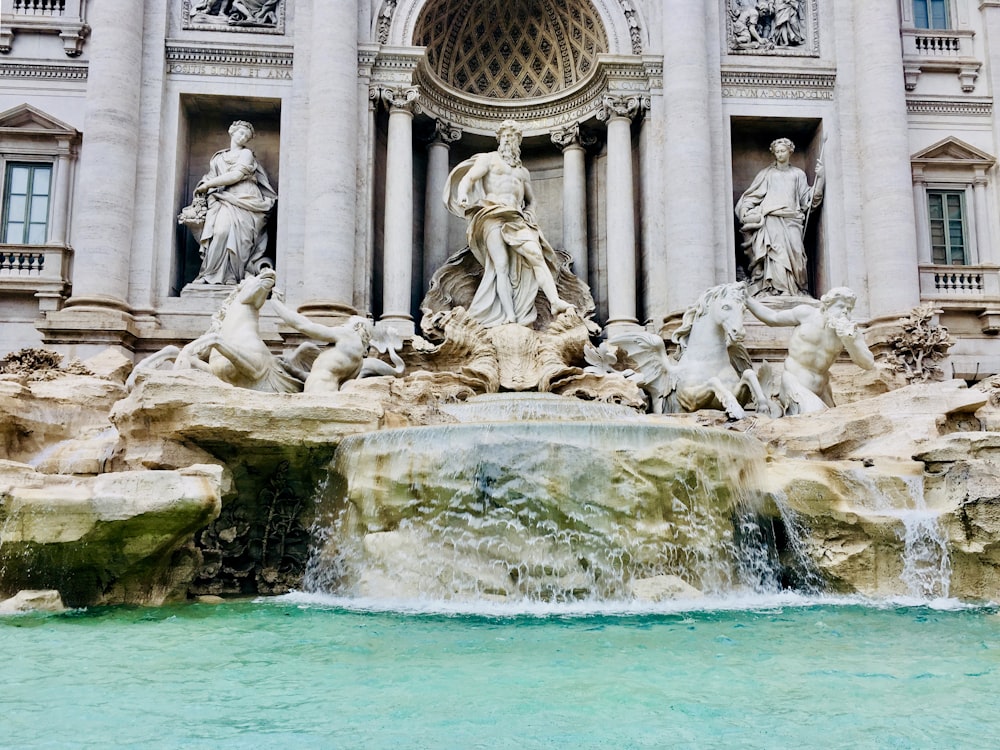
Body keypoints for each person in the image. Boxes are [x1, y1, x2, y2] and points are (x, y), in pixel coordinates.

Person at [443, 119, 572, 327]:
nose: (508, 140)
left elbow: (531, 200)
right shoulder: (489, 159)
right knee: (500, 265)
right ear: (499, 139)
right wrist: (463, 195)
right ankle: (509, 316)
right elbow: (469, 179)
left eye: (513, 137)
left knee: (537, 256)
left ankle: (555, 301)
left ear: (518, 142)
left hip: (516, 218)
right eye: (505, 136)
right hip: (492, 214)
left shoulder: (522, 172)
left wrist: (530, 211)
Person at [745, 287, 875, 415]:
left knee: (836, 422)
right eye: (841, 307)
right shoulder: (806, 314)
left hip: (823, 390)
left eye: (849, 309)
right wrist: (747, 299)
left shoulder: (851, 331)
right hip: (794, 384)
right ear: (826, 306)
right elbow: (772, 318)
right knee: (819, 418)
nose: (845, 312)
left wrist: (849, 341)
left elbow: (868, 363)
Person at [189, 120, 277, 285]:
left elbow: (236, 175)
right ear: (232, 131)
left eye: (247, 136)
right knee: (221, 232)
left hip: (245, 198)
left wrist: (209, 184)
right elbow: (211, 176)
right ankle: (210, 274)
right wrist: (204, 184)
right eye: (241, 133)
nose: (243, 137)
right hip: (224, 198)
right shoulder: (219, 157)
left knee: (241, 239)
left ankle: (233, 276)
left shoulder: (246, 154)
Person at [736, 137, 823, 297]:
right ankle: (776, 290)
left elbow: (809, 201)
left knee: (797, 255)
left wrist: (820, 179)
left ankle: (795, 290)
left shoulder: (798, 174)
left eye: (783, 151)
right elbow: (751, 196)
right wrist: (745, 210)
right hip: (771, 219)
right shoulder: (767, 174)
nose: (780, 154)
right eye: (777, 152)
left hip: (793, 220)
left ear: (790, 152)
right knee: (776, 255)